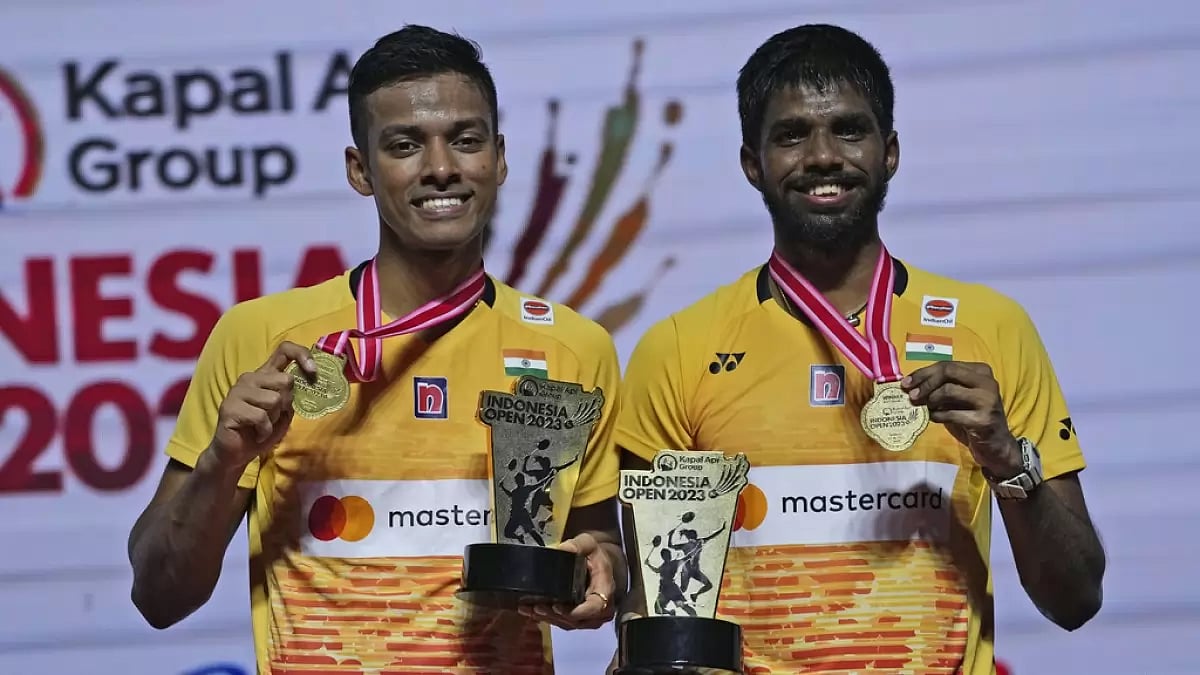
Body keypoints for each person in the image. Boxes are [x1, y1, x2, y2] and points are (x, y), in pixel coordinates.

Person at [127, 25, 625, 674]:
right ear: (360, 170)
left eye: (466, 140)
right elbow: (158, 596)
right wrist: (225, 459)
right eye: (405, 145)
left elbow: (602, 550)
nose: (441, 167)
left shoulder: (573, 349)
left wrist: (605, 570)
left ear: (499, 158)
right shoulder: (261, 338)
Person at [613, 24, 1105, 674]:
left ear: (890, 150)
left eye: (848, 129)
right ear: (752, 163)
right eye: (792, 135)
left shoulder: (991, 328)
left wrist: (1005, 458)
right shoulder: (677, 351)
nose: (822, 156)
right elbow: (652, 613)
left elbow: (1075, 597)